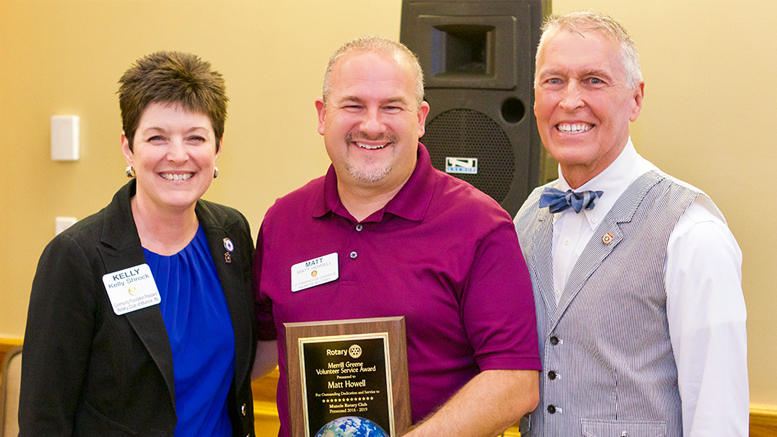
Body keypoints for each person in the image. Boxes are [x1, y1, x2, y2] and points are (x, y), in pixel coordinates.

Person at [252, 35, 540, 437]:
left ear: (420, 118)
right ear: (322, 115)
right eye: (353, 105)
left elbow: (515, 383)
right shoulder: (283, 220)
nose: (372, 125)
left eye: (392, 107)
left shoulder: (479, 225)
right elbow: (261, 348)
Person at [513, 11, 748, 436]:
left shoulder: (692, 233)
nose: (569, 101)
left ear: (636, 99)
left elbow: (718, 413)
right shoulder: (528, 216)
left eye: (593, 80)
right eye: (553, 81)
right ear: (534, 97)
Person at [19, 51, 257, 436]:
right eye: (157, 137)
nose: (178, 155)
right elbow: (44, 417)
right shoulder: (78, 258)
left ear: (217, 147)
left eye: (196, 137)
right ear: (129, 148)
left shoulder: (232, 234)